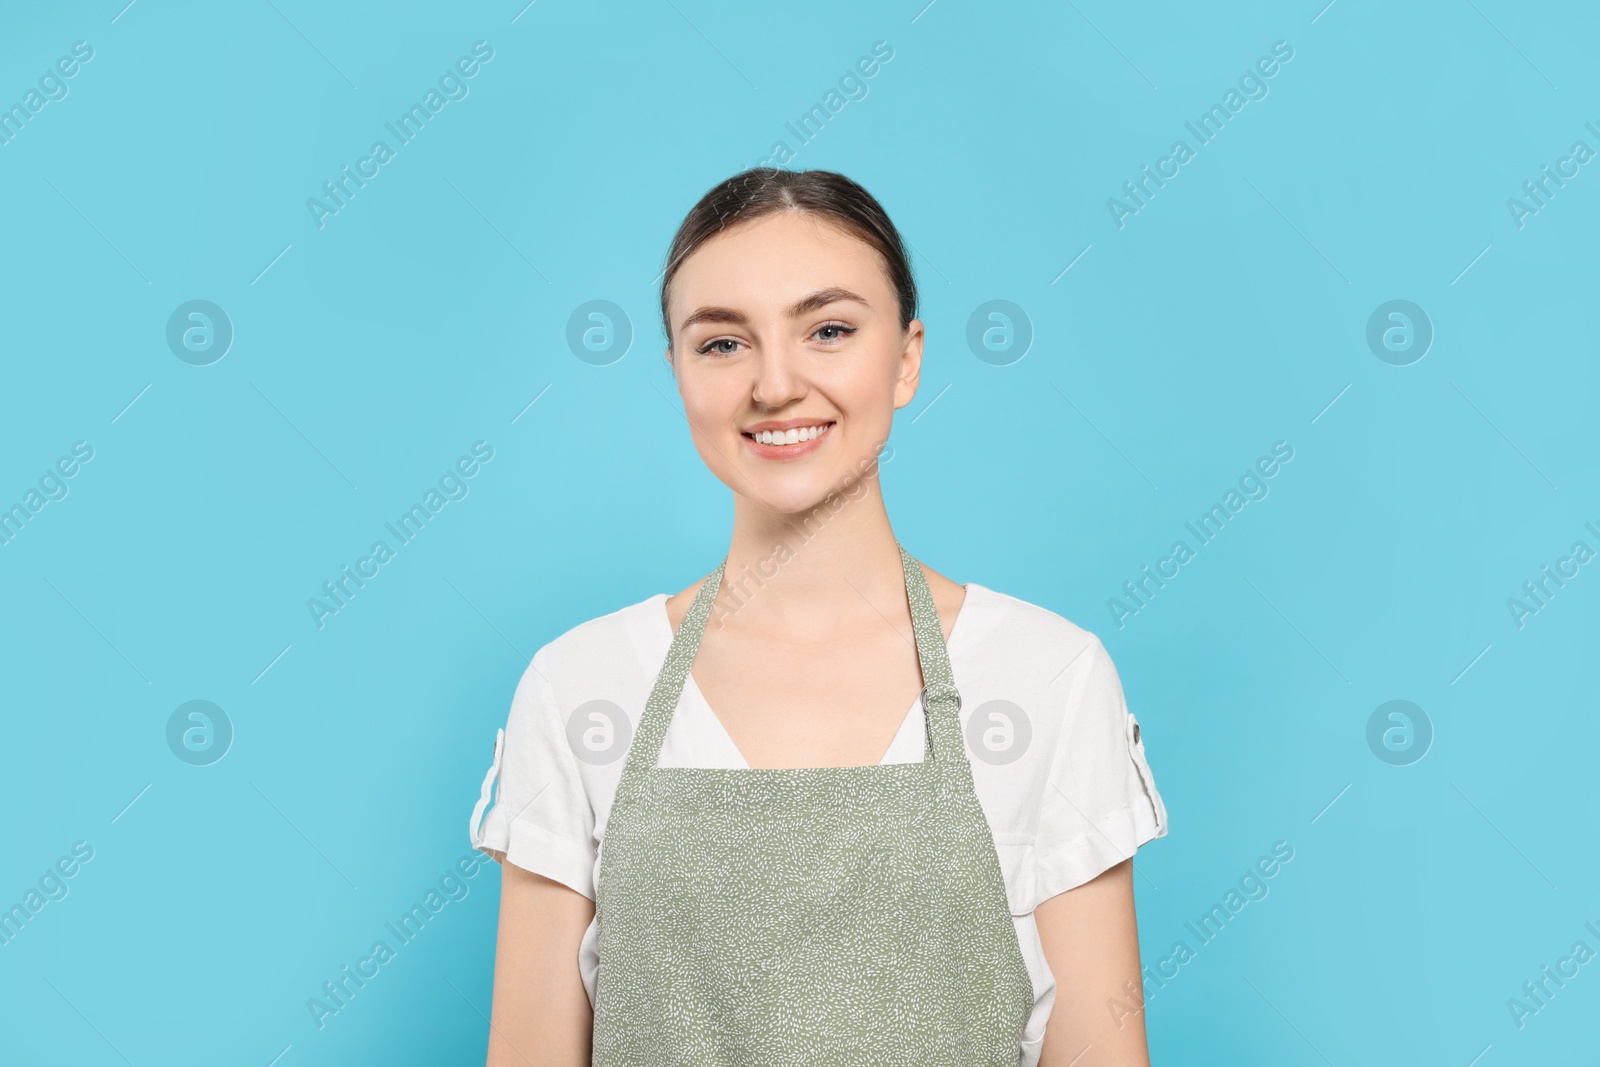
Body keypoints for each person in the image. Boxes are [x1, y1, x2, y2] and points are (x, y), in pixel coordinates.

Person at [468, 167, 1168, 1066]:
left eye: (829, 330)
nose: (775, 384)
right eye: (722, 343)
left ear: (907, 357)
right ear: (676, 371)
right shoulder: (580, 686)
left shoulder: (1049, 676)